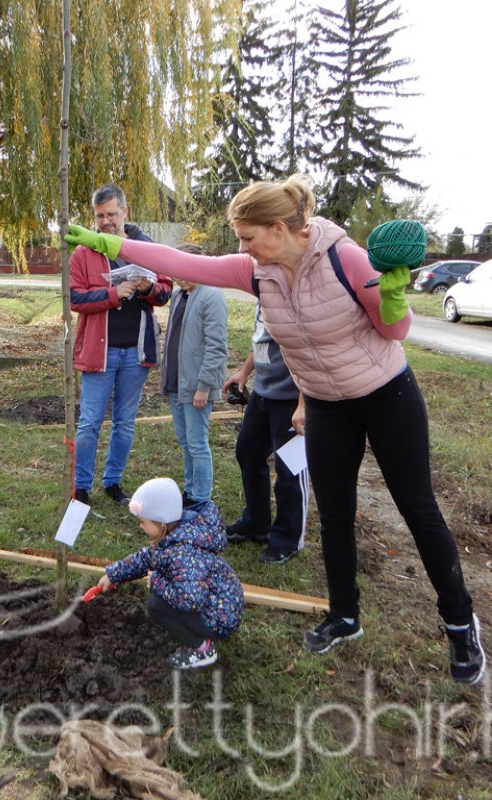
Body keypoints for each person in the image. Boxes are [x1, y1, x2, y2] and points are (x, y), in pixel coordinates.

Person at [66, 174, 486, 685]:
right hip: (328, 405)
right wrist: (110, 243)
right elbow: (185, 264)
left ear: (282, 228)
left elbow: (394, 331)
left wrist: (395, 301)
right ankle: (344, 615)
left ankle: (461, 624)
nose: (242, 249)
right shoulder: (258, 271)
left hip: (385, 395)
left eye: (248, 237)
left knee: (417, 509)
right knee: (333, 513)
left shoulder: (344, 258)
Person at [70, 184, 172, 507]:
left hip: (135, 352)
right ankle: (81, 487)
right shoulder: (83, 252)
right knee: (88, 424)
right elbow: (74, 298)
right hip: (98, 354)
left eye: (112, 214)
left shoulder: (145, 247)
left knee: (125, 424)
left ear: (125, 213)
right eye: (100, 216)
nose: (105, 222)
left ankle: (112, 482)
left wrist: (145, 288)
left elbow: (165, 291)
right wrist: (114, 294)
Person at [96, 477, 243, 669]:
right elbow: (144, 559)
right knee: (161, 596)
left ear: (161, 523)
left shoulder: (182, 554)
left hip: (221, 618)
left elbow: (190, 600)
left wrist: (158, 583)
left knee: (156, 605)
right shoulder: (175, 537)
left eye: (142, 522)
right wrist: (113, 575)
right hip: (218, 605)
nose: (140, 526)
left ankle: (203, 649)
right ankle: (194, 629)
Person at [225, 304, 310, 565]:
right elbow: (261, 342)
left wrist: (304, 404)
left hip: (291, 400)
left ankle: (288, 538)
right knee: (248, 452)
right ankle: (257, 522)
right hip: (263, 393)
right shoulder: (264, 296)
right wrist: (244, 371)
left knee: (290, 470)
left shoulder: (297, 302)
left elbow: (313, 355)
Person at [161, 244, 228, 507]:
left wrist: (204, 386)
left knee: (197, 442)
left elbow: (216, 346)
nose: (180, 275)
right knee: (185, 441)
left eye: (186, 268)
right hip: (178, 383)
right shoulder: (179, 295)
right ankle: (190, 490)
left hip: (196, 386)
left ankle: (200, 497)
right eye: (177, 269)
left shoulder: (211, 296)